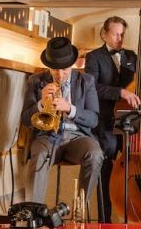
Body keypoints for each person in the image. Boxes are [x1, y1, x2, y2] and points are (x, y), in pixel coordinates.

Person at [84, 16, 141, 221]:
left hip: (133, 125)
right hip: (107, 124)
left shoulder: (131, 55)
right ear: (104, 34)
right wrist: (121, 93)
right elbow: (92, 87)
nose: (120, 39)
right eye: (116, 34)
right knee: (106, 168)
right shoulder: (94, 57)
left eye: (122, 34)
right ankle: (104, 219)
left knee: (139, 168)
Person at [21, 37, 103, 210]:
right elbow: (26, 119)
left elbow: (93, 119)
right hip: (47, 136)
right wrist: (41, 103)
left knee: (95, 154)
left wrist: (70, 109)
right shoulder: (36, 81)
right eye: (54, 70)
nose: (59, 75)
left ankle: (81, 209)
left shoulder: (86, 81)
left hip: (77, 137)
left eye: (64, 69)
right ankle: (33, 212)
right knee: (39, 155)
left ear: (72, 64)